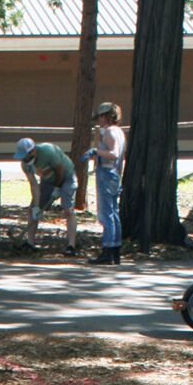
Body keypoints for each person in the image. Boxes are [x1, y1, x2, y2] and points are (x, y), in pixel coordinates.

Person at [14, 137, 77, 256]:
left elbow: (60, 170)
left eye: (25, 156)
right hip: (48, 180)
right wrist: (37, 207)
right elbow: (34, 185)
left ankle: (71, 246)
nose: (23, 159)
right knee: (31, 210)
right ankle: (30, 243)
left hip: (67, 176)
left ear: (32, 151)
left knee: (68, 210)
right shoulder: (25, 165)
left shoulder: (48, 151)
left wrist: (58, 188)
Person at [83, 103, 125, 265]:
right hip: (114, 175)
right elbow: (120, 159)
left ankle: (107, 251)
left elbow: (113, 154)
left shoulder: (109, 131)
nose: (99, 120)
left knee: (106, 214)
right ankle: (116, 252)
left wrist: (95, 151)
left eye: (100, 117)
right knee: (114, 214)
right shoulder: (120, 132)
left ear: (106, 116)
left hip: (106, 174)